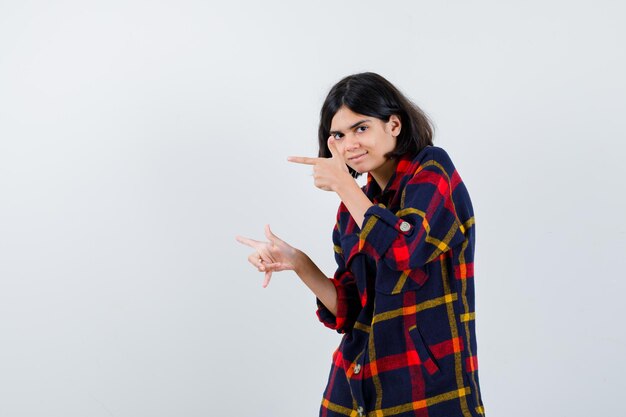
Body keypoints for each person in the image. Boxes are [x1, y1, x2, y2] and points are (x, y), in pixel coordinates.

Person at [236, 72, 486, 417]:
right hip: (356, 382)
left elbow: (406, 250)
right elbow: (350, 310)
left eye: (361, 128)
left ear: (394, 125)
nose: (349, 144)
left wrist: (343, 185)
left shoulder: (431, 170)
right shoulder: (352, 206)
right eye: (338, 134)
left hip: (425, 388)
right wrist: (299, 262)